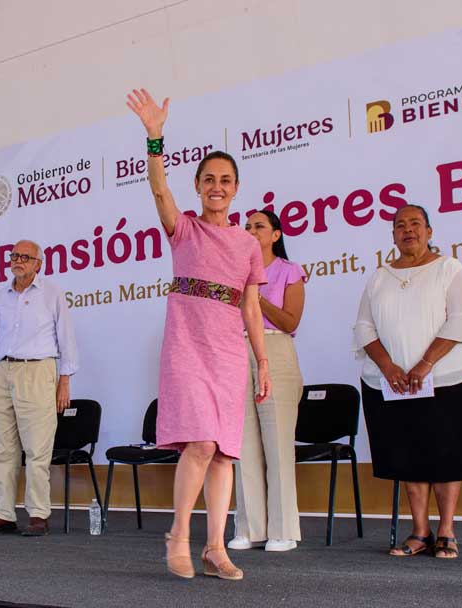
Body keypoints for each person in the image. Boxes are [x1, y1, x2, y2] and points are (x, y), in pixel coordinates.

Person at [127, 88, 272, 580]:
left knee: (224, 452)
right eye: (209, 179)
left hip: (230, 351)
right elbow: (158, 192)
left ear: (235, 189)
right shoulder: (184, 229)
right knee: (202, 445)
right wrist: (154, 138)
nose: (217, 186)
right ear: (198, 185)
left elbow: (251, 307)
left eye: (225, 180)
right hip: (187, 346)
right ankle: (179, 535)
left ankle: (215, 546)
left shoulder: (247, 244)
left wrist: (263, 360)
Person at [352, 204, 462, 559]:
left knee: (445, 454)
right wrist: (389, 368)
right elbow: (364, 328)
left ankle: (446, 531)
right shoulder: (379, 277)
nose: (407, 230)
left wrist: (425, 364)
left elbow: (460, 320)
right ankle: (420, 532)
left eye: (415, 224)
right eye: (400, 225)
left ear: (430, 232)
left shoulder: (450, 269)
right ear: (393, 235)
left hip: (450, 379)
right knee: (408, 453)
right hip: (394, 383)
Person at [0, 239, 78, 537]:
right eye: (13, 256)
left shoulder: (52, 293)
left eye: (25, 257)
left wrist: (65, 380)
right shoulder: (0, 297)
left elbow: (66, 337)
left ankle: (38, 513)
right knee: (2, 447)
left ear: (38, 263)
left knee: (37, 447)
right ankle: (4, 514)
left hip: (38, 369)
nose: (17, 261)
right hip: (3, 371)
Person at [229, 210, 306, 552]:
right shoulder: (233, 273)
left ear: (276, 235)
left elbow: (290, 321)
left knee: (277, 444)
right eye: (247, 227)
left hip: (275, 349)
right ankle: (249, 527)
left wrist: (254, 296)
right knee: (242, 445)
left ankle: (283, 529)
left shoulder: (289, 271)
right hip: (236, 352)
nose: (251, 231)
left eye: (259, 226)